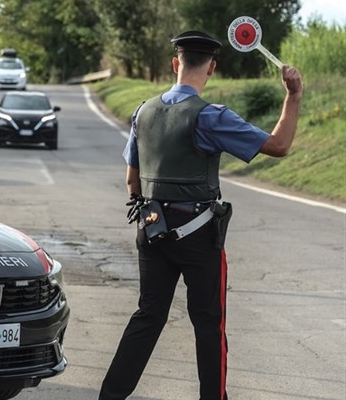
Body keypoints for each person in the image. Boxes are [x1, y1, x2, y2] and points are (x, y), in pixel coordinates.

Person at [99, 31, 303, 400]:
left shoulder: (142, 112)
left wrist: (153, 212)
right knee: (209, 324)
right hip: (198, 236)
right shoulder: (211, 117)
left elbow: (132, 179)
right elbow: (279, 145)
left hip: (152, 228)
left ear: (175, 64)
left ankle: (110, 395)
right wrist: (293, 95)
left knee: (147, 317)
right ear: (211, 68)